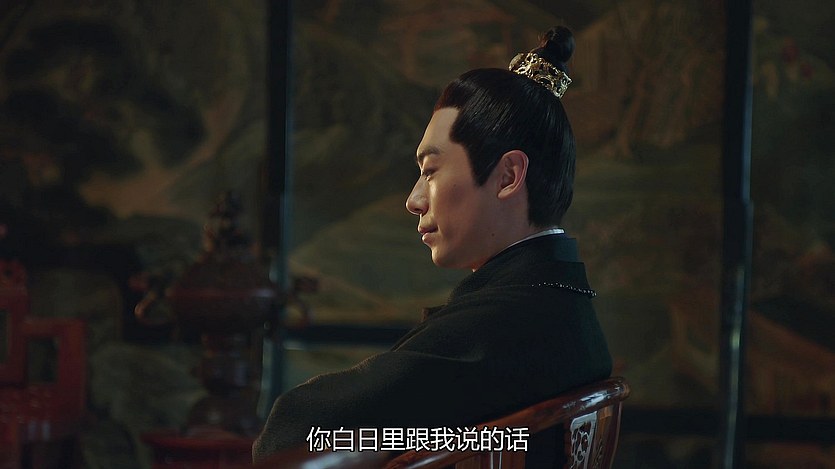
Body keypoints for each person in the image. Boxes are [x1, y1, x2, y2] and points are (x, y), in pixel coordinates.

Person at [252, 26, 611, 467]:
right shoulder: (554, 299)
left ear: (508, 176)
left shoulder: (510, 323)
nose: (414, 199)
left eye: (431, 170)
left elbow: (299, 430)